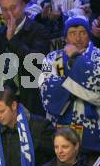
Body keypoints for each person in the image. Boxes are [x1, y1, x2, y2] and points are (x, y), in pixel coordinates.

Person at [39, 16, 100, 154]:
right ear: (65, 38)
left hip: (95, 131)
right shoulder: (52, 59)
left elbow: (98, 88)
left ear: (89, 36)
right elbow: (47, 90)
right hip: (61, 132)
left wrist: (75, 59)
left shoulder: (98, 57)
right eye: (72, 33)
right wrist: (84, 84)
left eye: (82, 33)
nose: (78, 38)